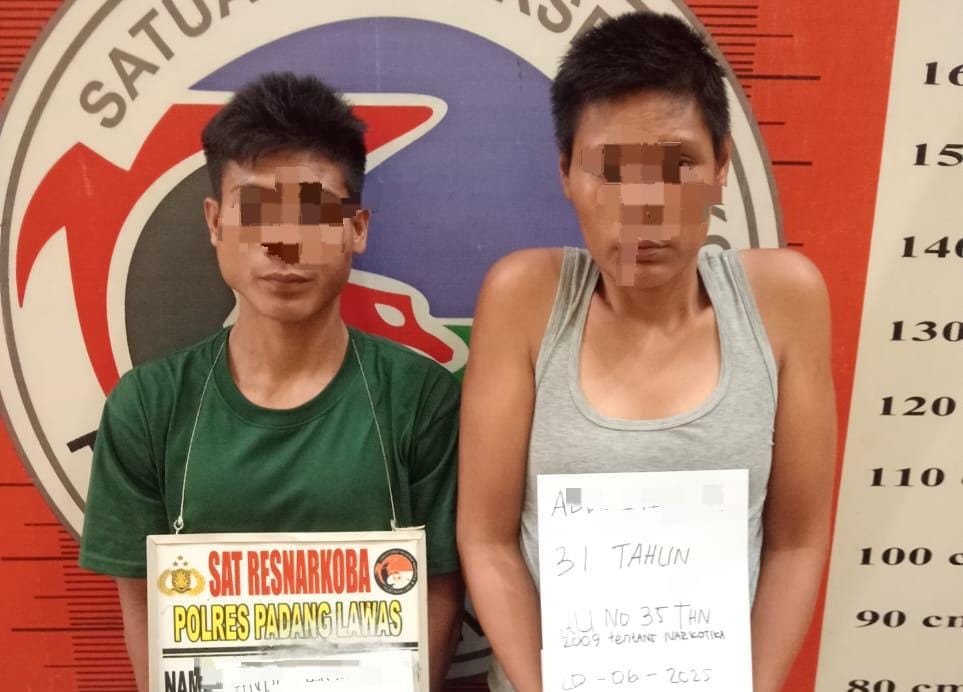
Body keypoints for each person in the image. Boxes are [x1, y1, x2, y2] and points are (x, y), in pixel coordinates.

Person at [457, 11, 835, 692]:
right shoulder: (525, 299)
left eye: (677, 165)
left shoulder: (784, 301)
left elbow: (797, 542)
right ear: (565, 172)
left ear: (721, 166)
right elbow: (486, 540)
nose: (643, 205)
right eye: (610, 170)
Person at [79, 72, 463, 692]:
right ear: (214, 222)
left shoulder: (420, 400)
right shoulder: (147, 408)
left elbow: (440, 597)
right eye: (256, 210)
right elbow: (147, 617)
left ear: (357, 228)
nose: (284, 246)